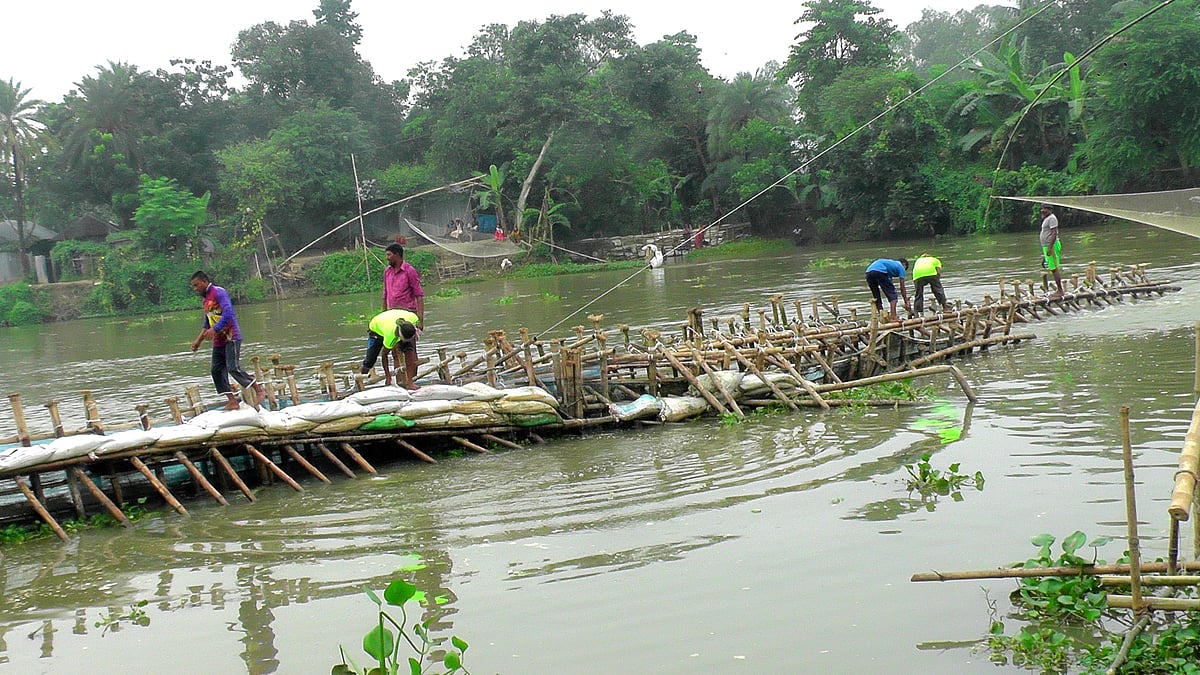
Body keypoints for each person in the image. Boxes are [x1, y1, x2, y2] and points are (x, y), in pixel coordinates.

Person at [189, 270, 267, 410]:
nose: (195, 289)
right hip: (218, 340)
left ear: (205, 281)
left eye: (197, 285)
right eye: (193, 286)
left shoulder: (218, 292)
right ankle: (232, 401)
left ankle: (259, 389)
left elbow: (229, 313)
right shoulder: (205, 300)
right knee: (216, 370)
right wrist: (198, 340)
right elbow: (208, 322)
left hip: (231, 336)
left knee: (233, 367)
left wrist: (215, 329)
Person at [360, 308, 421, 389]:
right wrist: (388, 376)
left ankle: (410, 382)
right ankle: (360, 382)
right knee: (369, 361)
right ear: (399, 336)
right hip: (377, 328)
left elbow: (417, 325)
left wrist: (416, 330)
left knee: (409, 351)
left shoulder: (414, 318)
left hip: (393, 317)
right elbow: (384, 355)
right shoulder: (390, 337)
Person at [382, 242, 425, 329]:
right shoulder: (387, 271)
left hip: (408, 313)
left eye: (389, 255)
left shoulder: (409, 271)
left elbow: (419, 296)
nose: (387, 258)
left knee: (408, 341)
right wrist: (383, 316)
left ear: (397, 255)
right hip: (392, 314)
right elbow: (385, 294)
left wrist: (420, 320)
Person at [865, 257, 911, 322]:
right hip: (879, 271)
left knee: (876, 295)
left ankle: (881, 314)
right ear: (904, 265)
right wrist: (906, 302)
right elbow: (902, 287)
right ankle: (893, 317)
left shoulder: (890, 265)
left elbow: (888, 284)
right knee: (893, 295)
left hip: (868, 272)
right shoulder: (901, 267)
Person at [1040, 203, 1065, 297]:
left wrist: (1050, 248)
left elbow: (1054, 234)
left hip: (1052, 246)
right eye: (1042, 208)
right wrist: (1045, 254)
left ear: (1050, 210)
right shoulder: (1047, 219)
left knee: (1054, 268)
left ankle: (1060, 290)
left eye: (1045, 209)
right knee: (1052, 267)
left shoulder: (1052, 218)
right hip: (1047, 246)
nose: (1042, 210)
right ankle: (1059, 289)